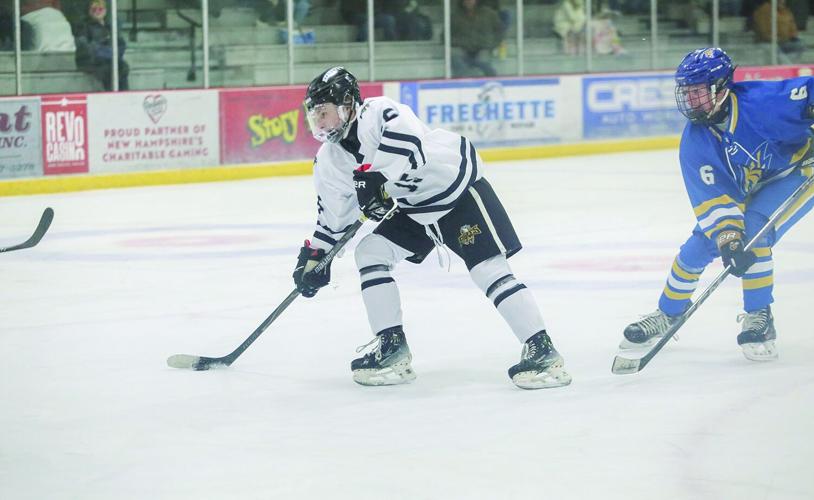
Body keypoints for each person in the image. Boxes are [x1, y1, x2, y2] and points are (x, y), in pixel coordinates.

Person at [293, 66, 572, 390]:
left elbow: (410, 147)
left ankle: (542, 350)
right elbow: (332, 219)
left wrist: (380, 181)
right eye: (315, 115)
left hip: (453, 191)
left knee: (488, 270)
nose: (320, 122)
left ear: (346, 104)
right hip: (415, 209)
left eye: (324, 113)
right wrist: (315, 256)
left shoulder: (379, 113)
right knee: (371, 252)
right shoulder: (329, 160)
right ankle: (391, 347)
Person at [621, 48, 814, 362]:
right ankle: (667, 313)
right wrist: (727, 240)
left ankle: (759, 316)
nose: (690, 101)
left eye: (697, 92)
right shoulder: (695, 143)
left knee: (754, 231)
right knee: (697, 248)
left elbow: (808, 92)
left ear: (722, 88)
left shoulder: (763, 103)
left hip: (796, 173)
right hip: (749, 186)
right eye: (686, 93)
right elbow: (715, 202)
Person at [74, 0, 129, 91]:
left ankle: (124, 95)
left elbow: (121, 43)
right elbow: (86, 47)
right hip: (90, 61)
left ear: (105, 11)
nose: (97, 11)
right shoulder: (83, 26)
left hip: (109, 60)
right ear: (89, 11)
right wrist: (107, 52)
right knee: (109, 69)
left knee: (122, 66)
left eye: (100, 9)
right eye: (94, 9)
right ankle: (110, 94)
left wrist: (114, 52)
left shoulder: (110, 25)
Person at [451, 0, 503, 77]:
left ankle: (493, 81)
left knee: (484, 60)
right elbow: (445, 35)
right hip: (462, 49)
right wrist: (457, 43)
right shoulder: (455, 16)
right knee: (455, 57)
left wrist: (492, 45)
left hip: (483, 49)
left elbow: (500, 31)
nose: (468, 1)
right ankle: (463, 84)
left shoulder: (489, 14)